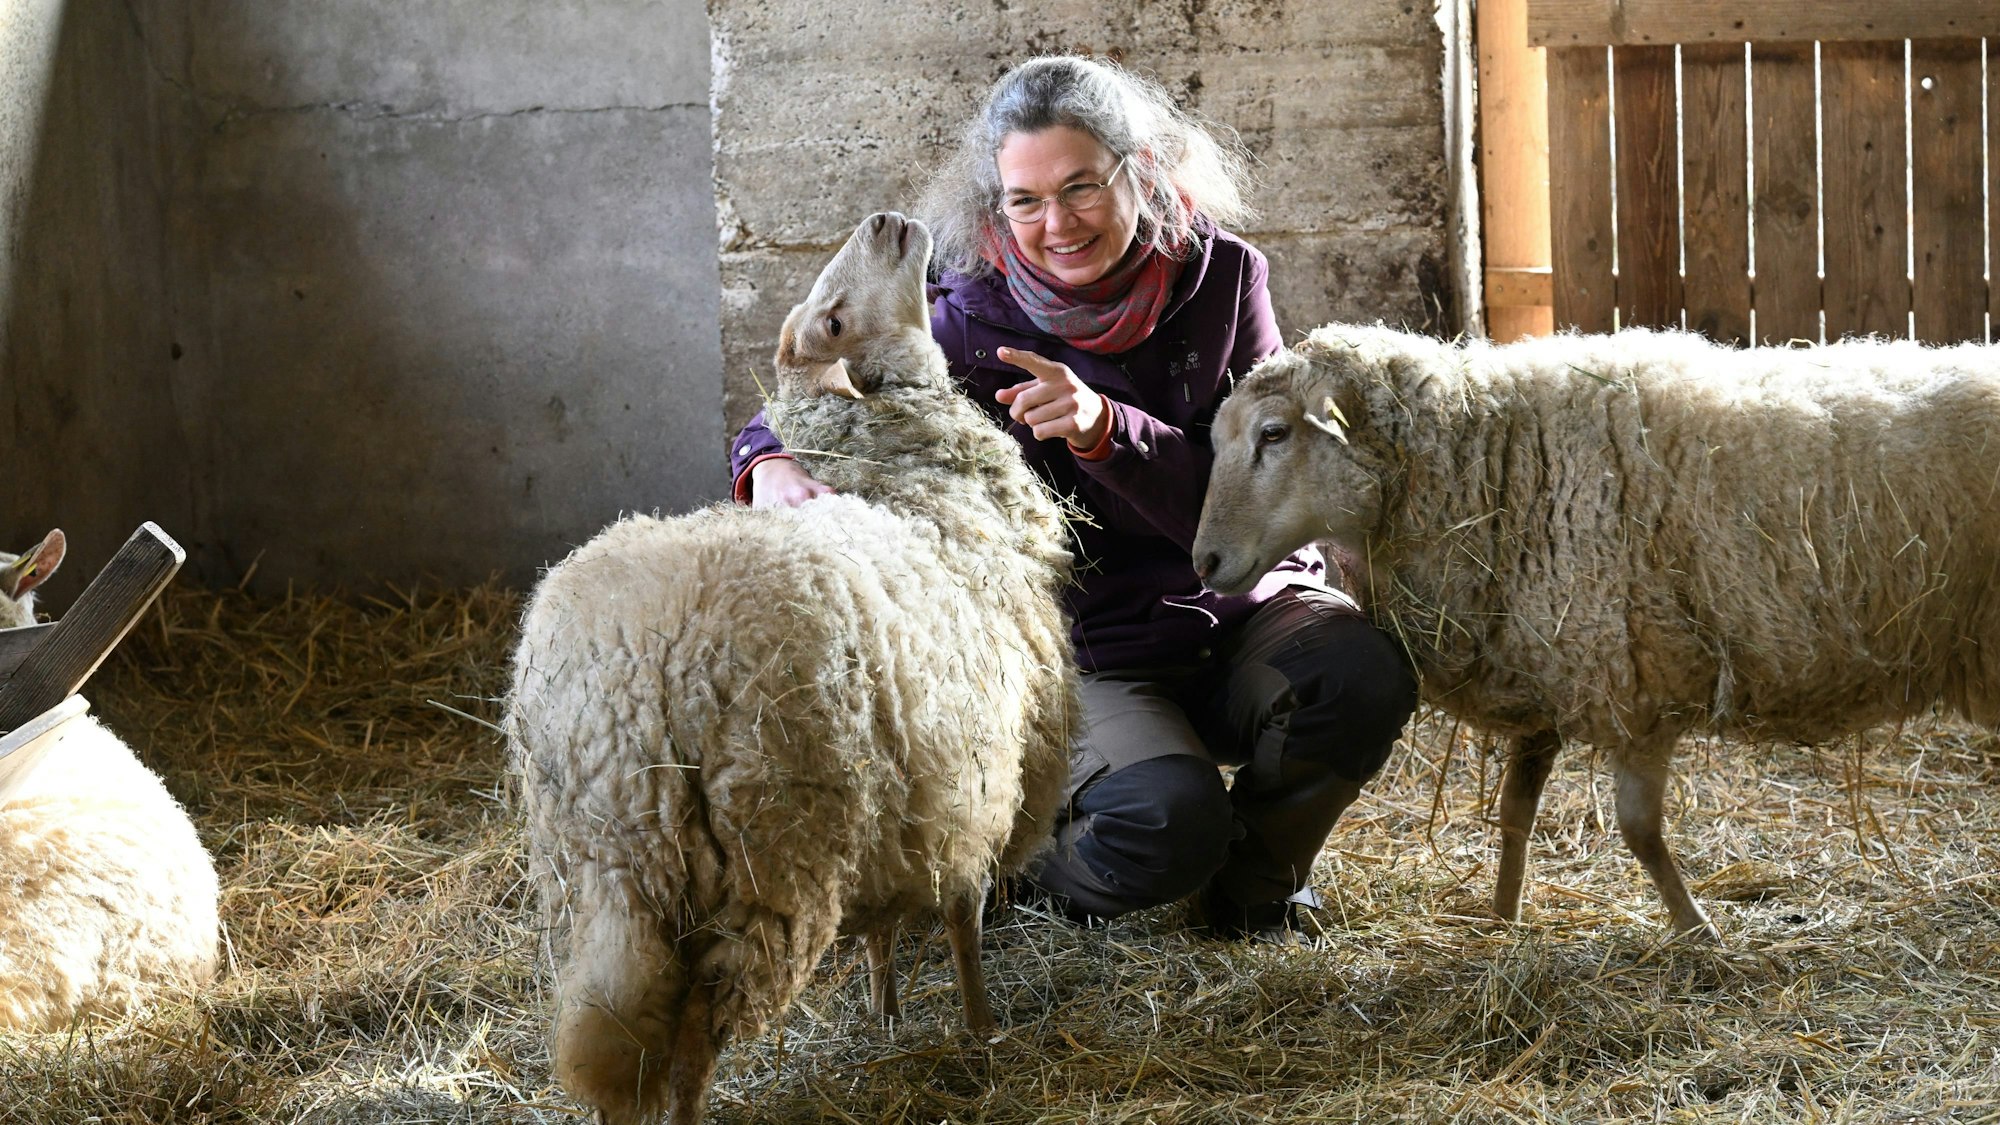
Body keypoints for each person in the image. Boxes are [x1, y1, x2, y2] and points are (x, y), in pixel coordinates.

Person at [728, 56, 1418, 942]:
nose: (1056, 223)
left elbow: (1264, 486)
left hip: (1238, 607)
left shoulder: (1223, 282)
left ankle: (1257, 885)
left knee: (1362, 672)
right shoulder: (964, 316)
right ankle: (1007, 874)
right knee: (1167, 822)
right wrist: (769, 467)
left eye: (1082, 186)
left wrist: (1106, 431)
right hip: (1090, 647)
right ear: (995, 204)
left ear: (1140, 169)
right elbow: (790, 401)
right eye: (1025, 199)